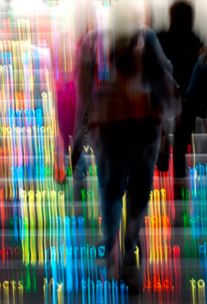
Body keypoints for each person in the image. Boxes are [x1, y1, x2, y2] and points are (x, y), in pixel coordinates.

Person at [71, 2, 177, 294]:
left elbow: (83, 95)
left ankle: (111, 242)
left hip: (109, 131)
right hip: (144, 130)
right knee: (138, 193)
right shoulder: (147, 38)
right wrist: (167, 134)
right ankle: (129, 246)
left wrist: (78, 136)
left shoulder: (92, 42)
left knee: (110, 189)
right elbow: (163, 84)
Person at [157, 1, 207, 199]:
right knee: (180, 146)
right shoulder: (196, 40)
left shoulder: (162, 38)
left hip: (166, 97)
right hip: (188, 99)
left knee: (164, 138)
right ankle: (179, 190)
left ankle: (162, 164)